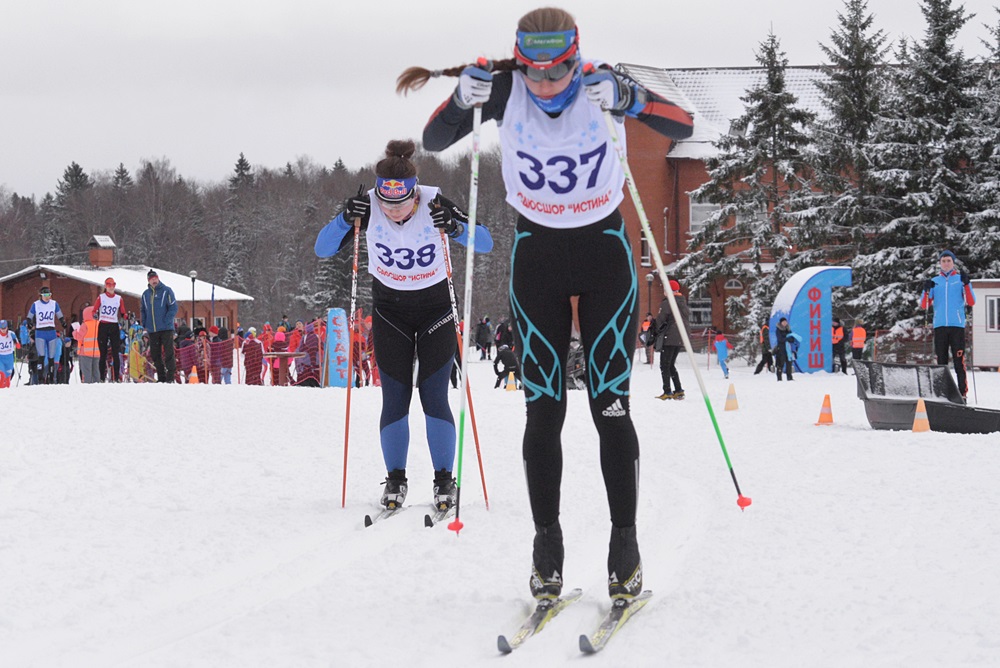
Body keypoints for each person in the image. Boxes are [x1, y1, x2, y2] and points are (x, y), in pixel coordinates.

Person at [401, 6, 694, 603]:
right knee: (544, 411)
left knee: (611, 407)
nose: (544, 85)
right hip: (537, 256)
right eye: (532, 72)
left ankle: (625, 549)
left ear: (574, 57)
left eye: (555, 72)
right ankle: (547, 552)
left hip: (605, 251)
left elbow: (682, 127)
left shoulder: (598, 83)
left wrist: (631, 97)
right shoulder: (504, 90)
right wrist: (462, 100)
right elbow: (432, 140)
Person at [314, 139, 493, 512]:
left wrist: (457, 228)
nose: (393, 212)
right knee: (394, 398)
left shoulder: (436, 203)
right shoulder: (367, 209)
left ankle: (445, 480)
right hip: (389, 313)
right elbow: (323, 249)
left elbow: (486, 242)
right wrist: (345, 218)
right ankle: (395, 480)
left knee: (433, 396)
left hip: (436, 311)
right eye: (386, 204)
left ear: (415, 195)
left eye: (401, 203)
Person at [921, 249, 975, 397]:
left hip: (957, 325)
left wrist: (967, 284)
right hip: (940, 326)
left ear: (953, 262)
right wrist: (926, 290)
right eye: (943, 261)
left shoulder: (959, 279)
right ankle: (941, 392)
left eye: (948, 261)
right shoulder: (935, 281)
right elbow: (924, 305)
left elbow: (971, 301)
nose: (946, 263)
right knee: (941, 362)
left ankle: (962, 392)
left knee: (959, 361)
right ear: (940, 263)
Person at [140, 269, 178, 383]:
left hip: (166, 328)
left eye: (155, 278)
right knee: (155, 355)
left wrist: (167, 320)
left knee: (169, 353)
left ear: (158, 278)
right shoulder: (146, 294)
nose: (154, 281)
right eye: (151, 279)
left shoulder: (167, 291)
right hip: (153, 330)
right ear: (148, 281)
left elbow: (173, 307)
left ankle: (170, 377)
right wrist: (145, 323)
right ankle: (161, 378)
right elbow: (143, 310)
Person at [654, 280, 690, 400]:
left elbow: (661, 319)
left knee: (664, 365)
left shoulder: (668, 302)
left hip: (669, 337)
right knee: (670, 365)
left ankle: (667, 392)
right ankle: (678, 390)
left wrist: (653, 329)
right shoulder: (682, 302)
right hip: (680, 337)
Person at [27, 286, 68, 384]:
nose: (47, 297)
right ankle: (41, 377)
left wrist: (63, 322)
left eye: (49, 295)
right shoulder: (36, 304)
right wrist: (29, 323)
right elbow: (29, 316)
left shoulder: (54, 304)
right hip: (40, 332)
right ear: (41, 295)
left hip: (51, 332)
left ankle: (51, 377)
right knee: (41, 355)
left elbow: (60, 315)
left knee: (51, 356)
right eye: (45, 295)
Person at [93, 277, 126, 382]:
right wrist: (94, 314)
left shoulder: (118, 298)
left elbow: (123, 312)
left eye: (113, 285)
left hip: (114, 326)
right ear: (105, 286)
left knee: (116, 352)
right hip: (103, 325)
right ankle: (102, 378)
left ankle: (116, 377)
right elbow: (94, 310)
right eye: (108, 285)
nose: (111, 287)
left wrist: (126, 316)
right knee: (103, 353)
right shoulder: (101, 297)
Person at [74, 307, 101, 383]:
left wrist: (75, 331)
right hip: (97, 352)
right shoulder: (99, 324)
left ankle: (88, 386)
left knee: (87, 371)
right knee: (96, 371)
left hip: (85, 352)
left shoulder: (85, 325)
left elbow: (79, 337)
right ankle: (97, 384)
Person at [0, 320, 20, 384]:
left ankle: (6, 392)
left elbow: (18, 346)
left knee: (7, 379)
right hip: (1, 358)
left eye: (5, 328)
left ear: (7, 327)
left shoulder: (11, 334)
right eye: (2, 328)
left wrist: (16, 343)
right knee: (2, 375)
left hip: (9, 358)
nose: (3, 330)